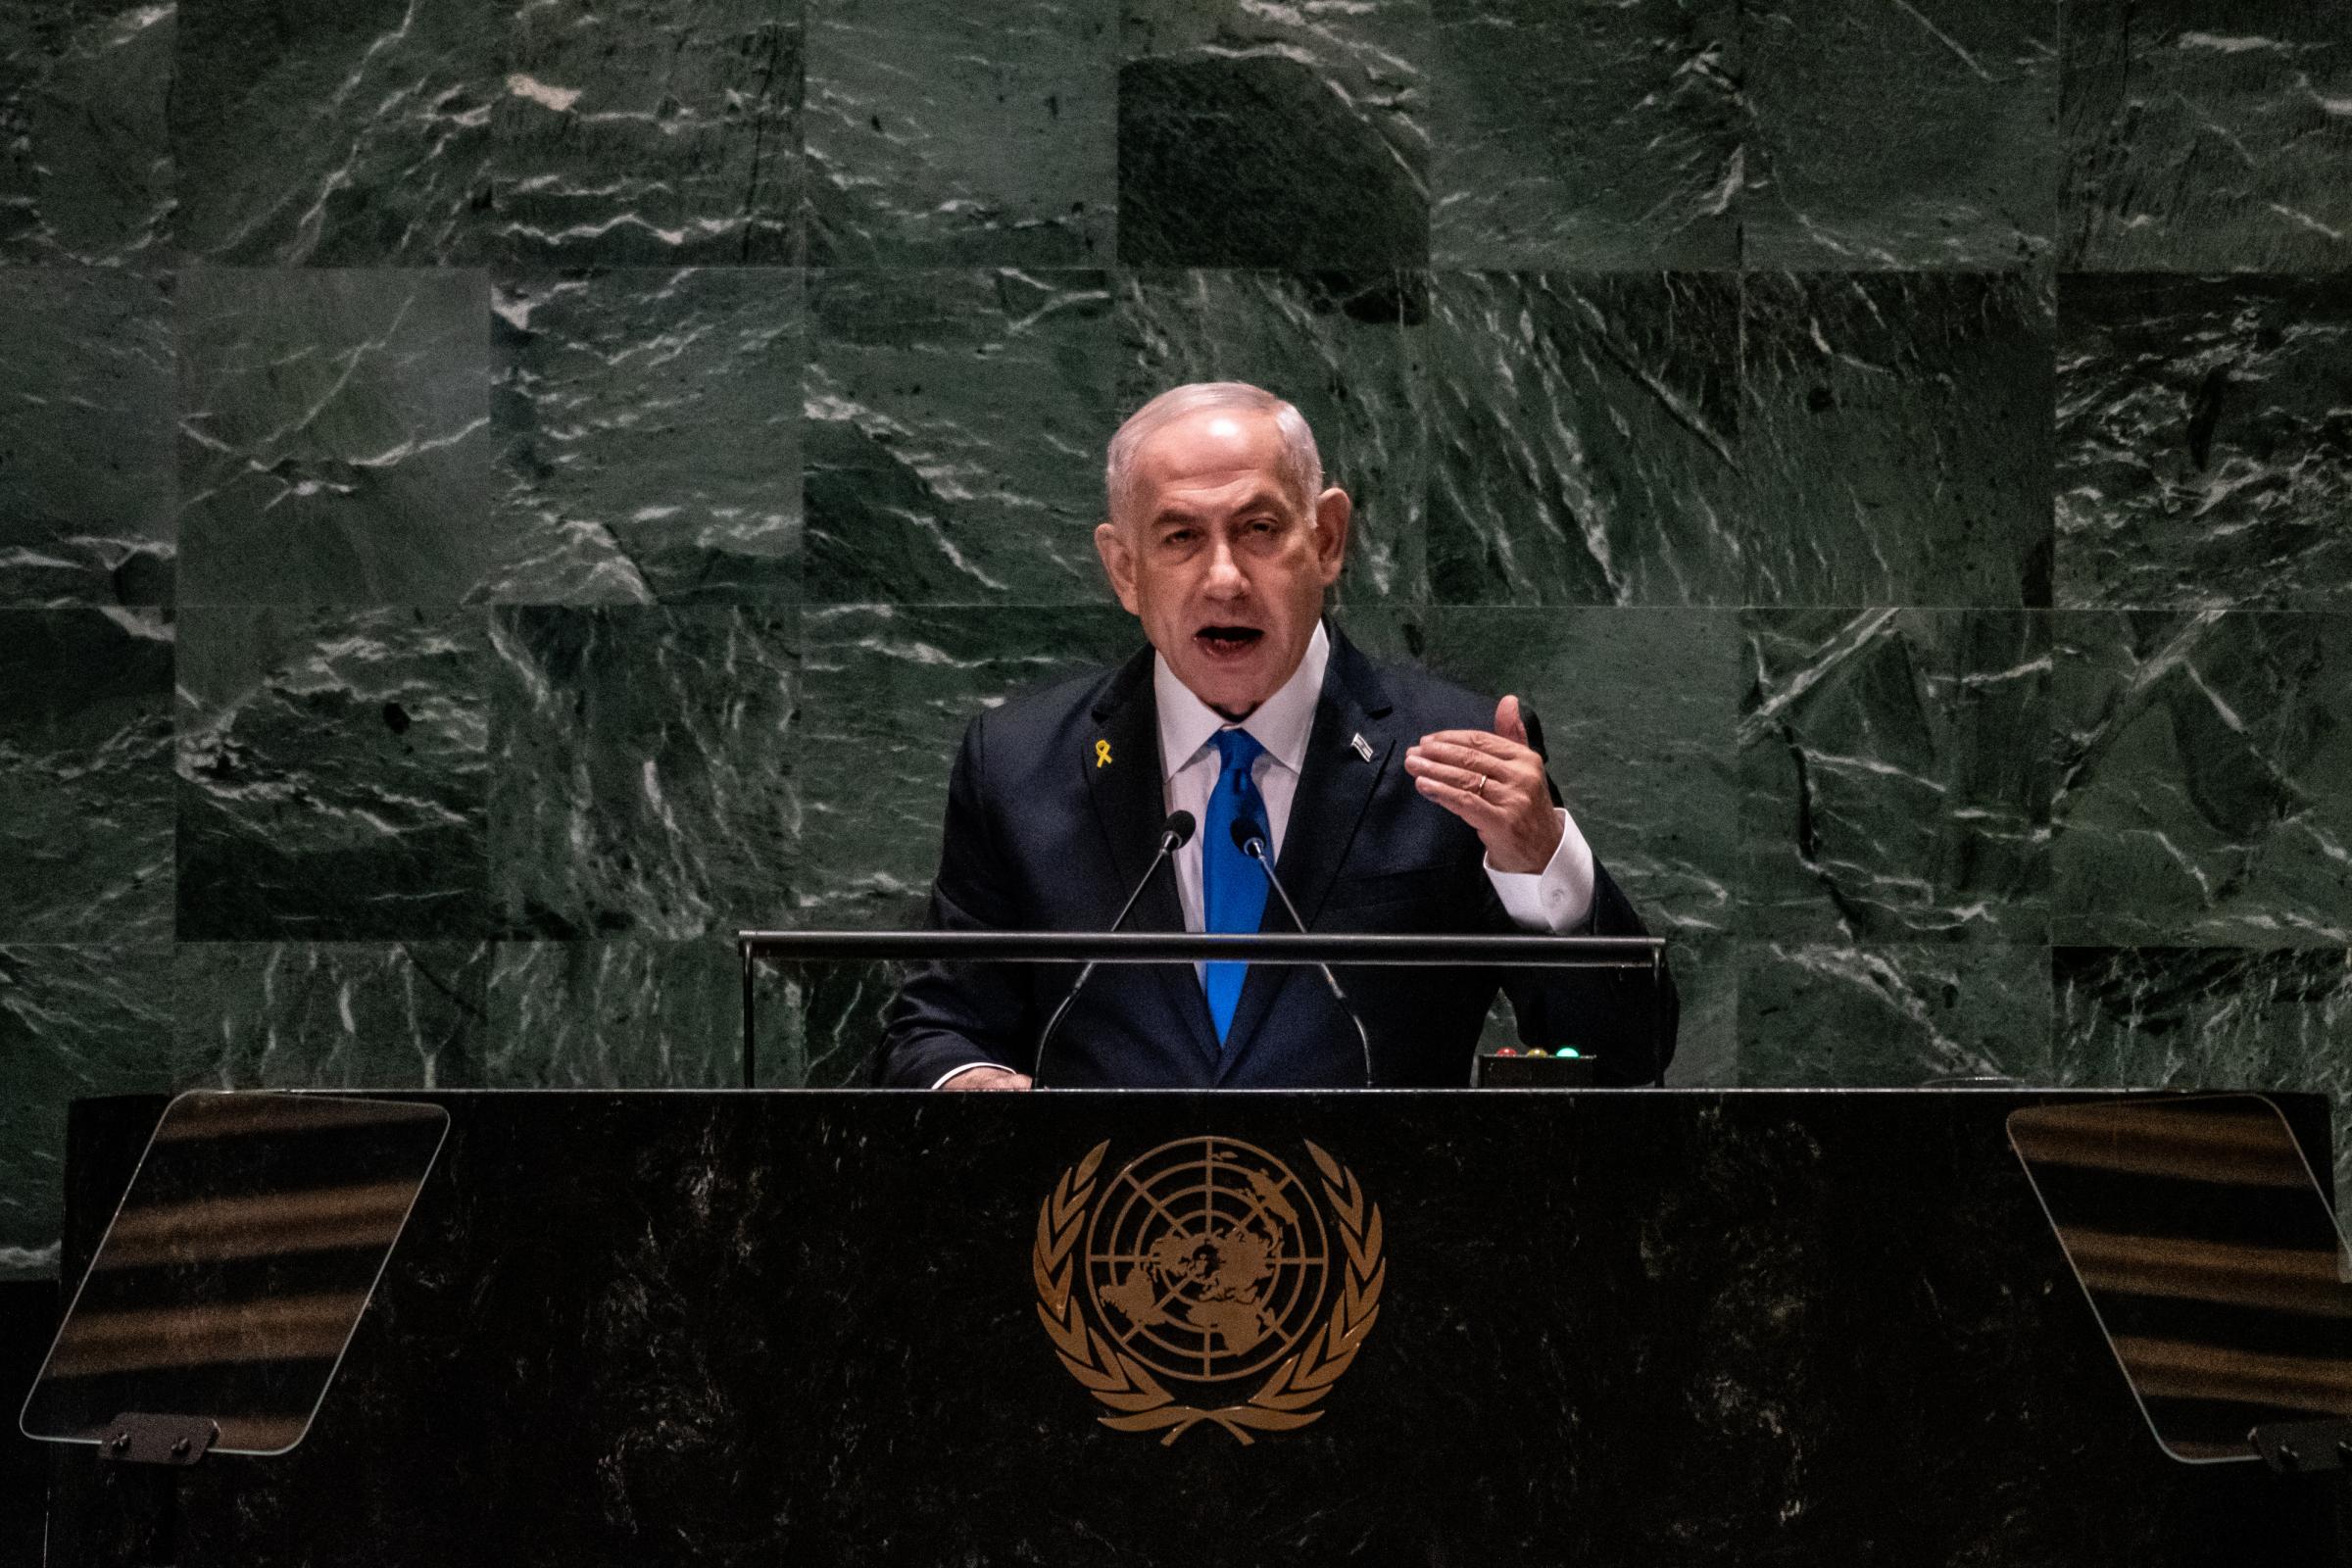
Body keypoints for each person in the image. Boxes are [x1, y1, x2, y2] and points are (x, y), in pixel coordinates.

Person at [875, 382, 1678, 1090]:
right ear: (1125, 569)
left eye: (1258, 528)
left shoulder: (1453, 752)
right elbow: (937, 1028)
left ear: (1326, 539)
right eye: (1181, 538)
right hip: (1109, 1242)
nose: (1224, 577)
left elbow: (1625, 1053)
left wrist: (1542, 862)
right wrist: (966, 1084)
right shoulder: (1017, 766)